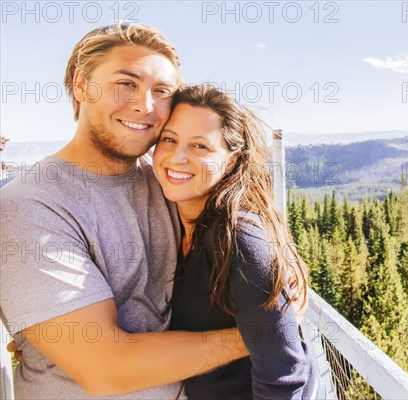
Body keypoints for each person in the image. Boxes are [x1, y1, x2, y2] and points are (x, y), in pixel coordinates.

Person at [0, 23, 248, 399]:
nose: (144, 106)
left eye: (161, 91)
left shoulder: (168, 181)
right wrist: (258, 334)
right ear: (81, 85)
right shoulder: (31, 207)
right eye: (126, 83)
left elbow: (242, 214)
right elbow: (106, 368)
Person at [152, 84, 323, 400]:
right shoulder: (174, 220)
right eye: (169, 139)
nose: (177, 157)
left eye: (201, 146)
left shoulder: (238, 238)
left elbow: (283, 379)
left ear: (231, 162)